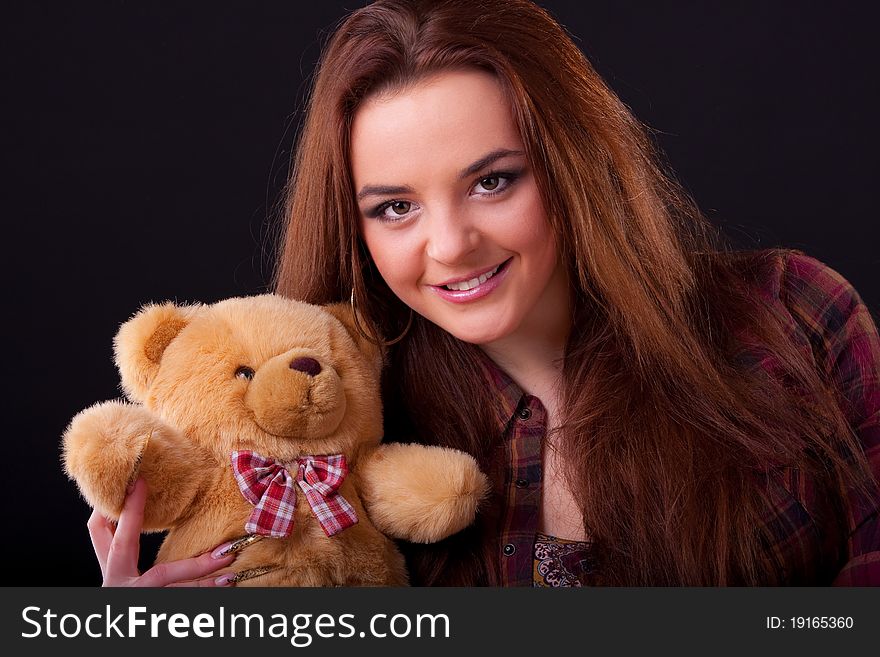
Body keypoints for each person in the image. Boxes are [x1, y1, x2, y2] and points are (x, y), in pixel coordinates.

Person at [90, 0, 879, 586]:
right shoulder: (347, 431)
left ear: (569, 166)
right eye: (395, 207)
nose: (451, 244)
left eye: (493, 181)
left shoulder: (793, 314)